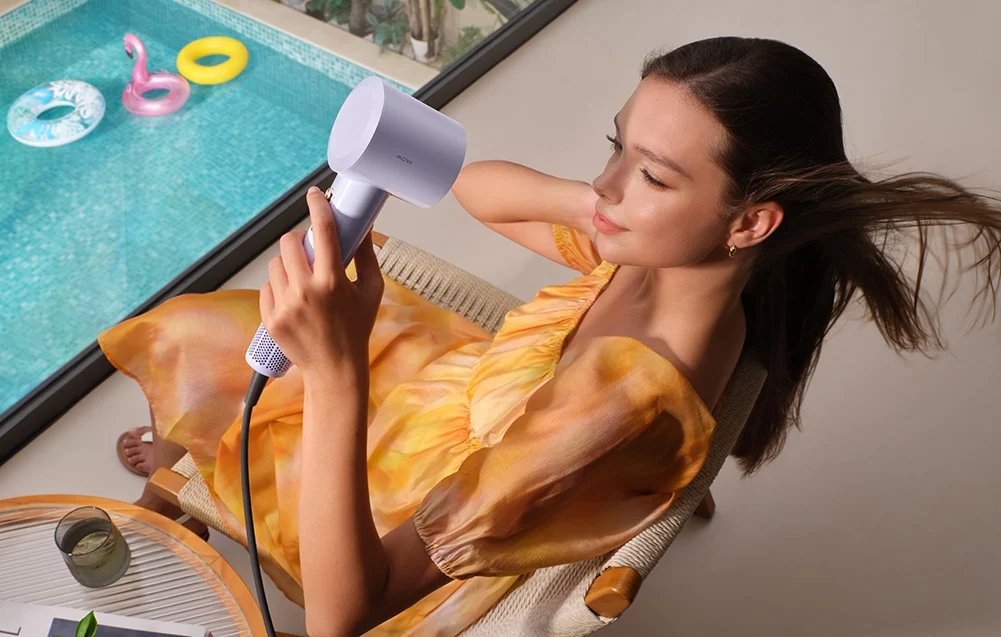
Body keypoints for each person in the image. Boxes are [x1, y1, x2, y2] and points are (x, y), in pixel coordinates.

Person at [104, 36, 1001, 636]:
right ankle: (191, 468)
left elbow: (346, 615)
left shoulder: (622, 406)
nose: (606, 184)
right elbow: (476, 190)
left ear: (750, 221)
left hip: (447, 490)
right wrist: (601, 205)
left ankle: (184, 479)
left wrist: (338, 372)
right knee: (202, 327)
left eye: (652, 175)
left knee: (237, 374)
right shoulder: (663, 257)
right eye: (615, 146)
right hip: (457, 397)